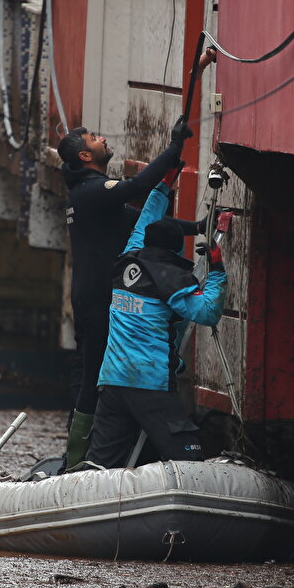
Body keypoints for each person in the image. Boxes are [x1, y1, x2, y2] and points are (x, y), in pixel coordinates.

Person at [59, 117, 205, 468]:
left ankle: (94, 450)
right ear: (84, 156)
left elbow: (148, 225)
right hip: (97, 299)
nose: (103, 138)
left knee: (90, 371)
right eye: (94, 138)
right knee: (92, 371)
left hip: (92, 295)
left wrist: (198, 227)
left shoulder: (91, 196)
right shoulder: (93, 191)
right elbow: (138, 184)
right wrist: (172, 148)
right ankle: (77, 456)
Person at [74, 175, 227, 470]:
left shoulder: (125, 262)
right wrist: (217, 269)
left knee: (102, 464)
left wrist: (163, 184)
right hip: (150, 384)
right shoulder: (172, 280)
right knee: (189, 459)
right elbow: (207, 313)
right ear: (176, 250)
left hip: (112, 382)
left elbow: (145, 221)